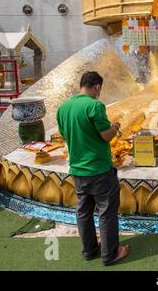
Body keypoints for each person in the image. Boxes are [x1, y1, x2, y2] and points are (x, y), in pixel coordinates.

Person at [56, 71, 129, 266]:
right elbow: (106, 136)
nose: (99, 93)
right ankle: (110, 254)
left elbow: (65, 134)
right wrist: (115, 128)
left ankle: (89, 250)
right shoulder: (95, 106)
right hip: (99, 169)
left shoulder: (63, 108)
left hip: (78, 169)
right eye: (99, 89)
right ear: (96, 86)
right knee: (106, 212)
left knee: (84, 211)